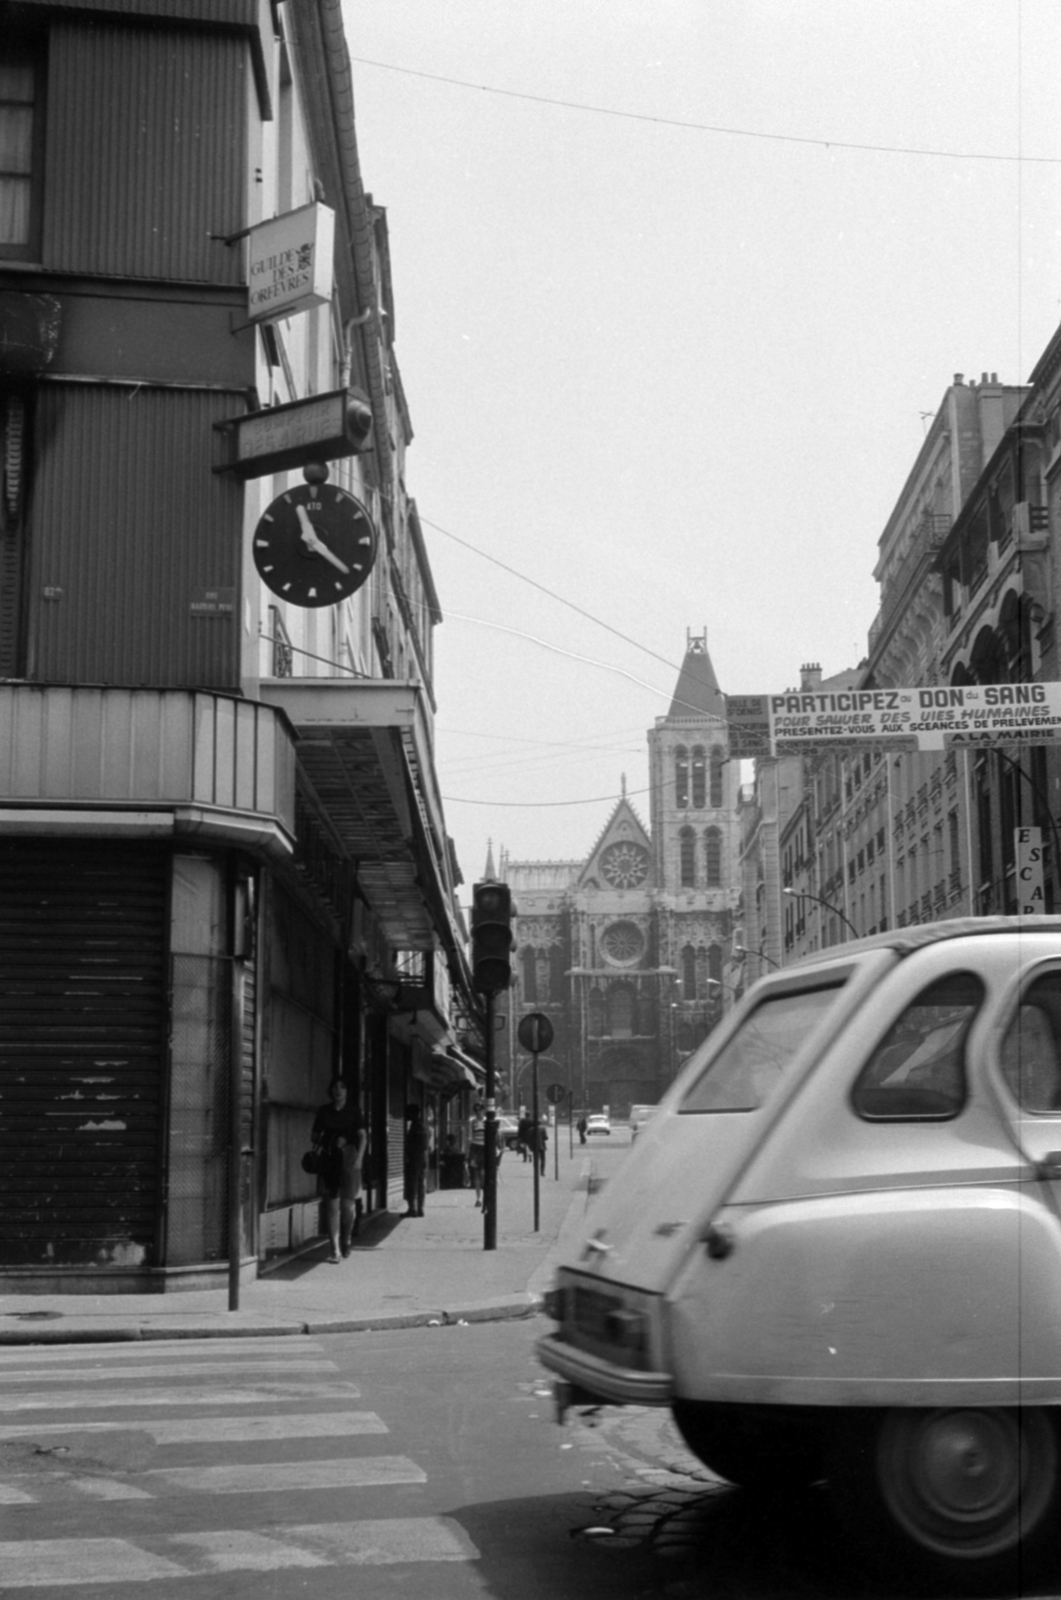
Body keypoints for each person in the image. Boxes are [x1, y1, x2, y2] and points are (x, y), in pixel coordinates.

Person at [311, 1077, 367, 1263]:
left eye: (342, 1087)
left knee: (348, 1205)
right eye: (335, 1087)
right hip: (329, 1157)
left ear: (347, 1091)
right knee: (332, 1204)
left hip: (350, 1157)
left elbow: (363, 1136)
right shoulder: (324, 1111)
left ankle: (346, 1239)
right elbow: (314, 1136)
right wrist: (330, 1139)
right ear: (330, 1091)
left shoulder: (354, 1111)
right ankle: (334, 1250)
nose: (338, 1090)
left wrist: (359, 1158)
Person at [403, 1103, 429, 1217]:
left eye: (408, 1113)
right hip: (422, 1158)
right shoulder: (423, 1126)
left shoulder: (415, 1126)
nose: (406, 1115)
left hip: (414, 1159)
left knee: (412, 1183)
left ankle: (412, 1209)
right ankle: (420, 1209)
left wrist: (408, 1156)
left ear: (413, 1113)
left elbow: (412, 1145)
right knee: (420, 1184)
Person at [468, 1101, 486, 1206]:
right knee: (476, 1175)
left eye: (480, 1110)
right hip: (475, 1149)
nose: (478, 1112)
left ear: (483, 1110)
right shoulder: (472, 1122)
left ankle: (484, 1196)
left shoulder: (487, 1121)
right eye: (476, 1110)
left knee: (483, 1174)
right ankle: (478, 1199)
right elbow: (470, 1137)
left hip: (484, 1149)